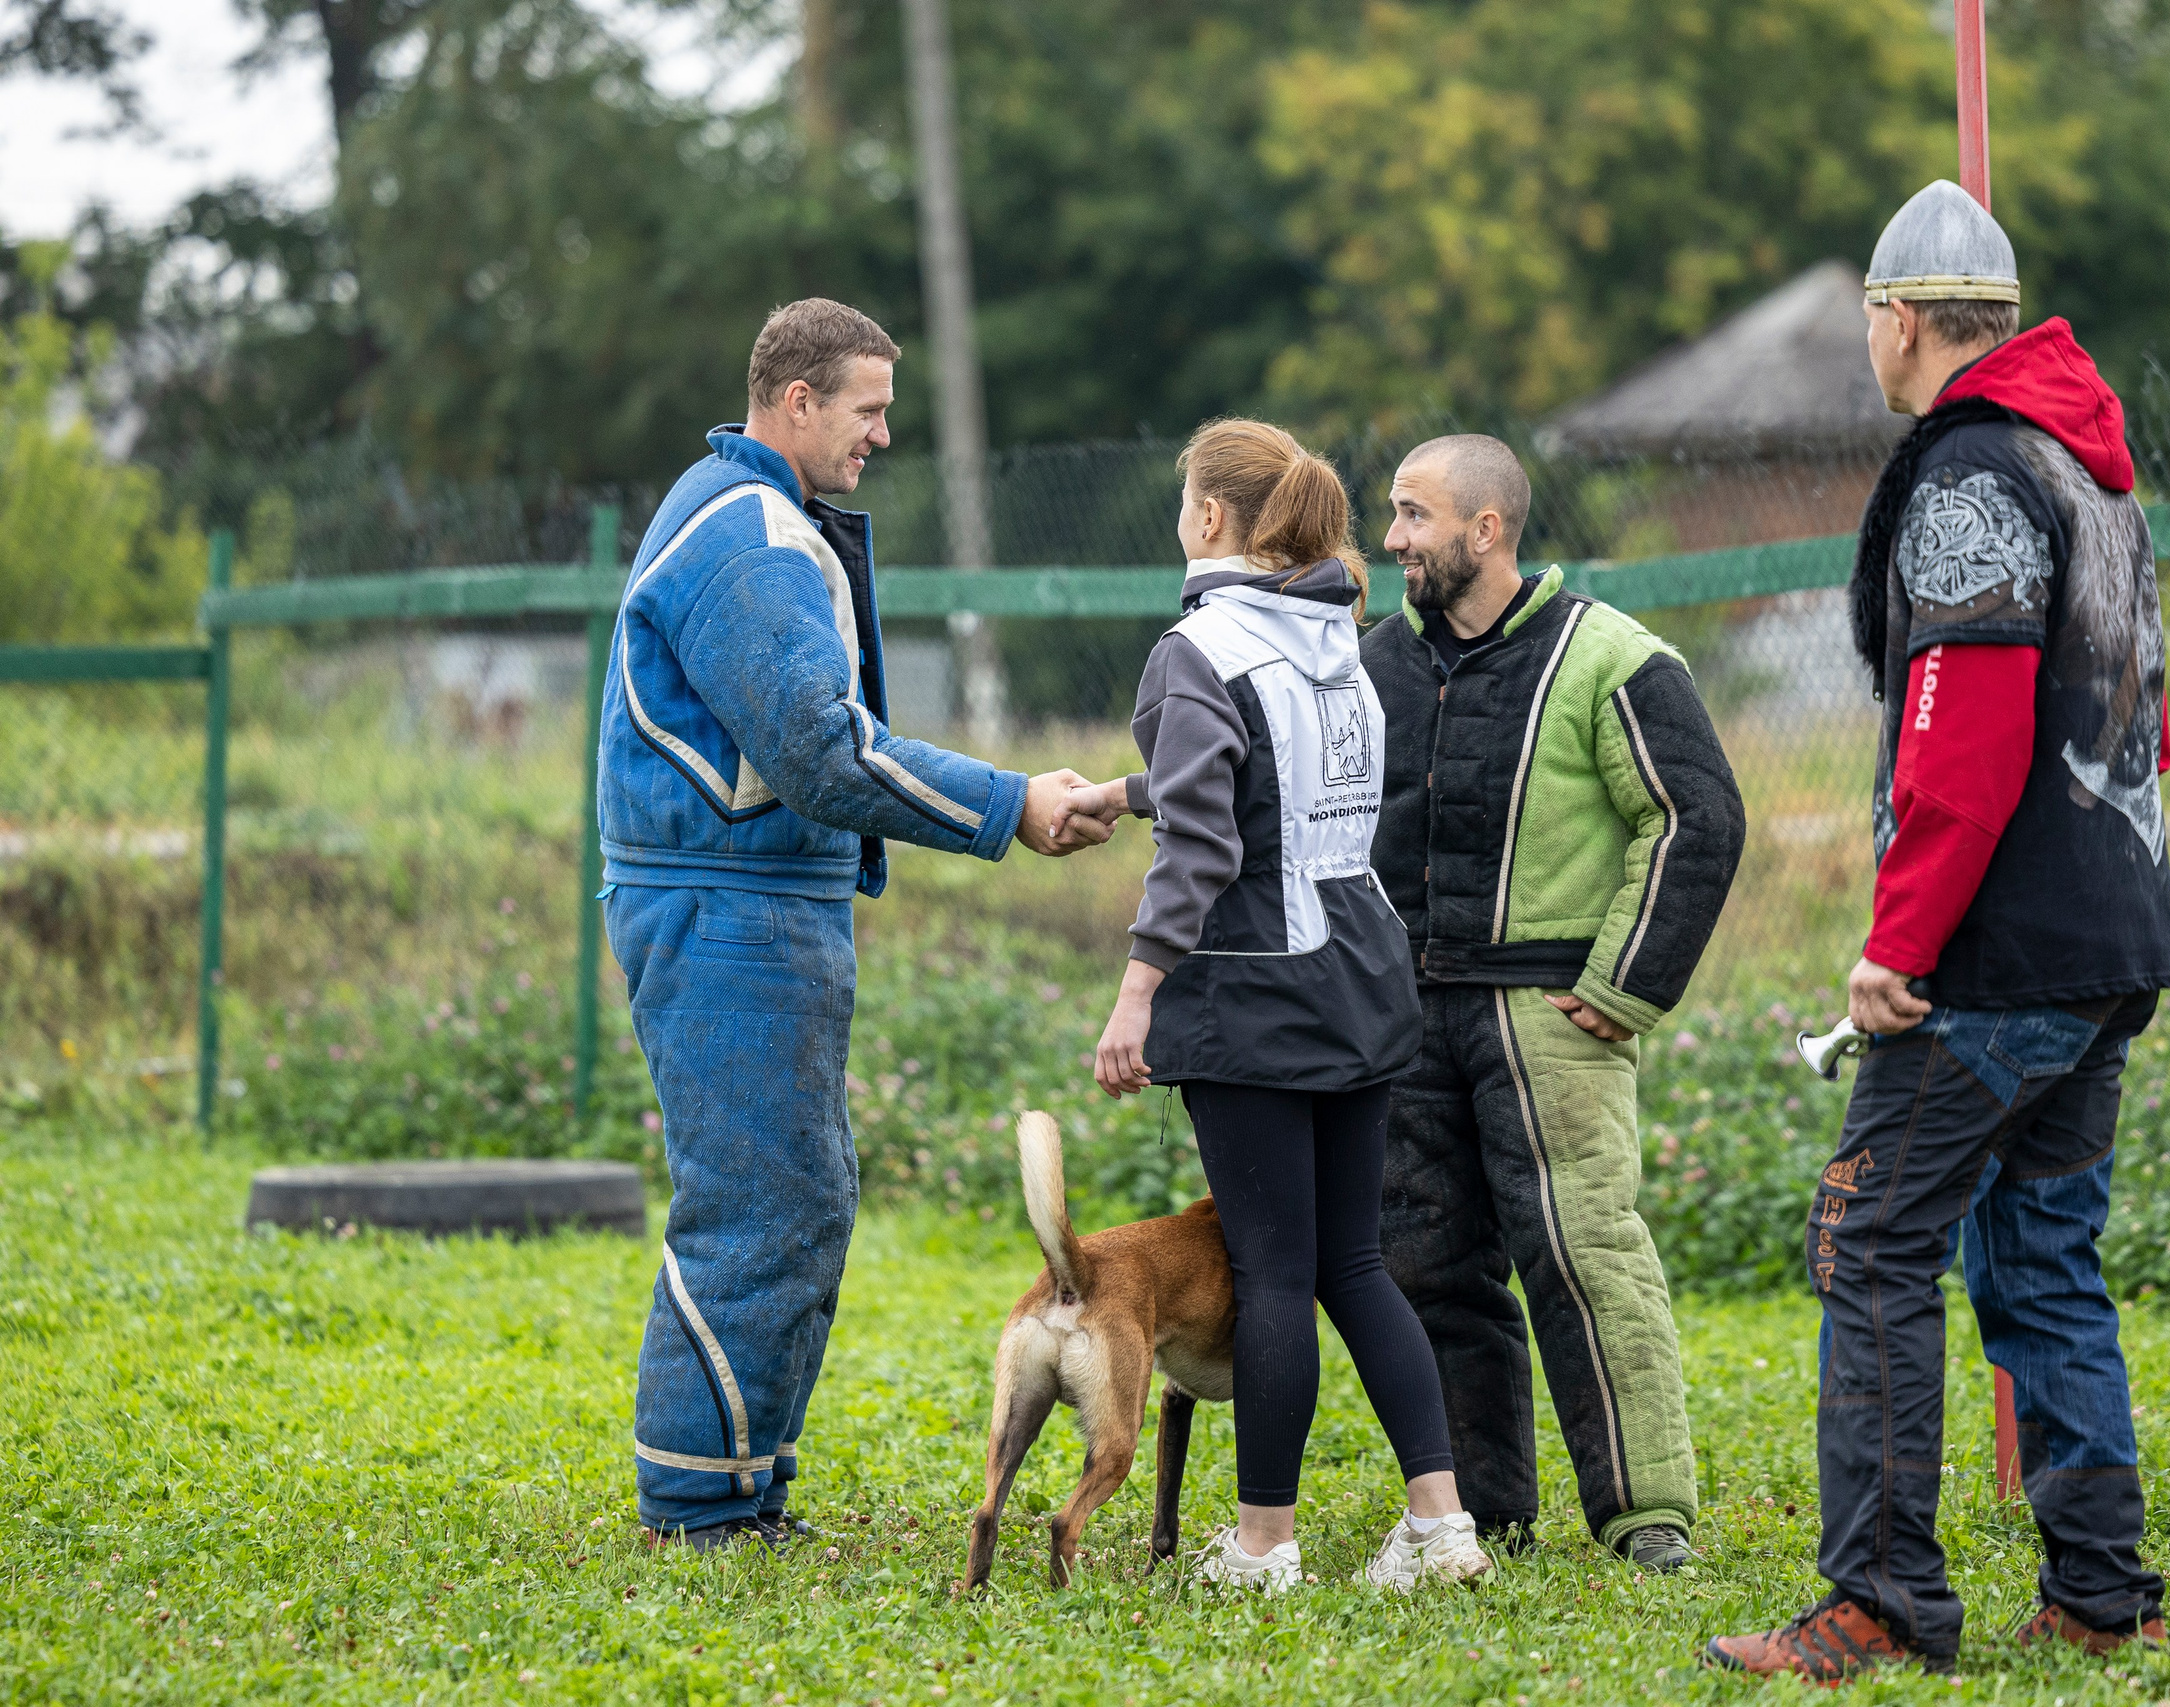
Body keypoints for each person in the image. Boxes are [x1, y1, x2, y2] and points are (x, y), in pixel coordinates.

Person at [1707, 182, 2170, 1681]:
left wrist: (1897, 941)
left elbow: (1958, 741)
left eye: (1871, 317)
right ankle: (2103, 1596)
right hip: (2111, 930)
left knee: (1870, 1238)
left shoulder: (1972, 473)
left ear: (1896, 320)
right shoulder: (2083, 462)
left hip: (1999, 951)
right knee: (2040, 1257)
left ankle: (1880, 1602)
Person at [599, 298, 1108, 1552]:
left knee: (801, 1195)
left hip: (761, 899)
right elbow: (822, 757)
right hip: (727, 905)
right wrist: (1010, 808)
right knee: (755, 1204)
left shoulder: (750, 516)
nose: (884, 433)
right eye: (870, 409)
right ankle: (696, 1509)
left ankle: (745, 1487)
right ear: (798, 402)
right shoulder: (751, 537)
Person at [1055, 418, 1495, 1594]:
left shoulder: (1196, 650)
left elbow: (1208, 840)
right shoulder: (1334, 633)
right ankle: (1442, 1527)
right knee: (1354, 1265)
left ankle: (1263, 1545)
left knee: (1271, 1272)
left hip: (1254, 992)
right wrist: (1133, 786)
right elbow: (1275, 787)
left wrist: (1136, 993)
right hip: (1359, 975)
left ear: (1207, 520)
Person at [1361, 434, 1747, 1571]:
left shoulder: (1611, 656)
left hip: (1549, 1012)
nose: (1392, 538)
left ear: (1487, 531)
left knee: (1584, 1255)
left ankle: (1646, 1517)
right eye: (1393, 513)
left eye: (1414, 516)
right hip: (1403, 1013)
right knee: (1430, 1268)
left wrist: (1622, 986)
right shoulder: (1377, 659)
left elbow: (1696, 818)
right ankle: (1480, 1511)